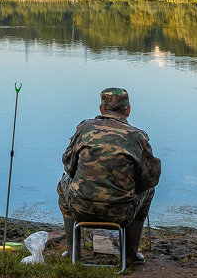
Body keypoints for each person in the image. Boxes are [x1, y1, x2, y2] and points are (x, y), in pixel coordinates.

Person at [58, 87, 161, 265]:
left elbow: (68, 166)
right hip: (121, 213)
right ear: (128, 110)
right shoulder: (137, 136)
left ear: (101, 109)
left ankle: (72, 251)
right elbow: (150, 179)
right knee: (149, 191)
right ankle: (130, 253)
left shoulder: (85, 129)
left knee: (63, 183)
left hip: (81, 209)